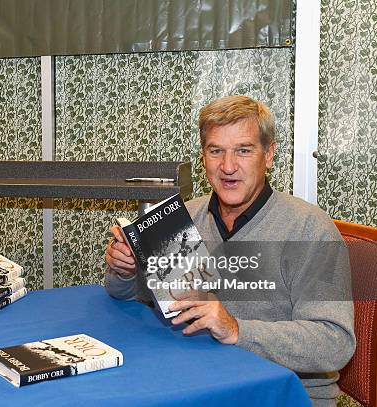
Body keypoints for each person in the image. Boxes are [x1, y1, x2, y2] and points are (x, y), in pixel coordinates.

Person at [104, 95, 355, 407]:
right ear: (203, 157)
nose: (228, 167)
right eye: (216, 151)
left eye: (244, 150)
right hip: (198, 381)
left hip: (283, 395)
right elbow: (139, 299)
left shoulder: (309, 228)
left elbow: (334, 342)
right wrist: (125, 271)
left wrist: (236, 329)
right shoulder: (182, 219)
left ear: (269, 154)